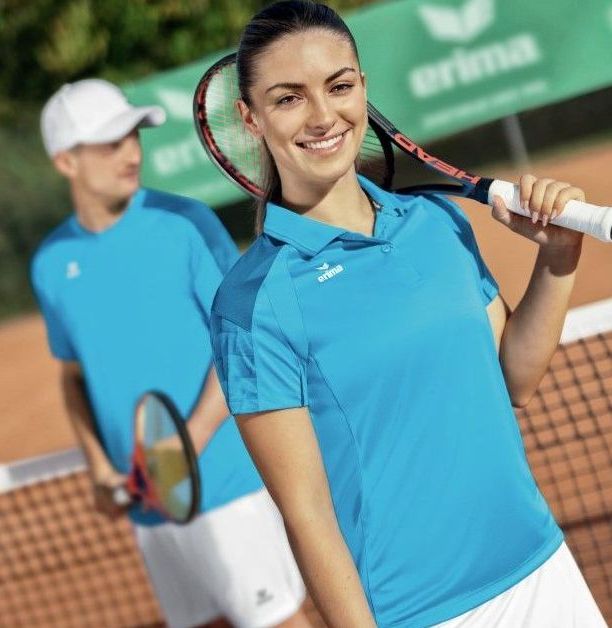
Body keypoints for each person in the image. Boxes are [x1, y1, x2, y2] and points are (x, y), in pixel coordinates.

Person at [208, 2, 608, 627]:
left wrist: (559, 255)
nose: (323, 116)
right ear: (250, 118)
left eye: (339, 86)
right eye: (289, 98)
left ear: (363, 88)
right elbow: (306, 513)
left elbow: (515, 380)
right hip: (417, 613)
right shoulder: (253, 303)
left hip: (540, 568)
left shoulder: (437, 222)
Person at [32, 78, 311, 628]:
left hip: (226, 482)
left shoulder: (185, 223)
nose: (131, 153)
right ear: (66, 162)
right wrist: (99, 467)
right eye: (110, 143)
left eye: (133, 136)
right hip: (150, 503)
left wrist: (187, 443)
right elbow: (73, 376)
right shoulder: (51, 264)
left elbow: (243, 337)